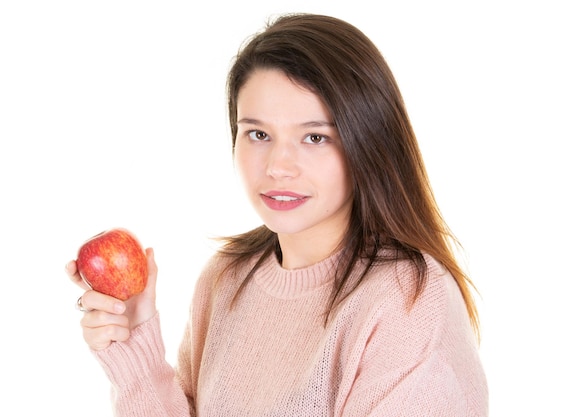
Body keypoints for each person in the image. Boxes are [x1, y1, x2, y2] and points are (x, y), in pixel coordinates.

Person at [67, 13, 488, 416]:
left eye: (314, 136)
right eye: (259, 134)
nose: (277, 166)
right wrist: (135, 345)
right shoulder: (226, 279)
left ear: (368, 143)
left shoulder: (407, 298)